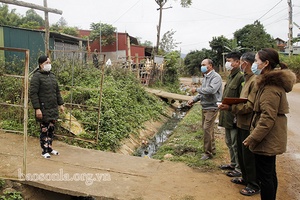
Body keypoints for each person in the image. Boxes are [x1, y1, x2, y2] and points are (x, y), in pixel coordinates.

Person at [243, 48, 296, 200]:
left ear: (265, 63)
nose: (253, 64)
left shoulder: (270, 88)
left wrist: (253, 138)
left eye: (256, 61)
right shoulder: (267, 84)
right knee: (269, 174)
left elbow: (267, 118)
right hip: (269, 138)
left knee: (265, 177)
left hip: (267, 139)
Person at [219, 52, 260, 196]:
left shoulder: (253, 80)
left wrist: (231, 108)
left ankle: (254, 184)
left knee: (248, 156)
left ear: (244, 63)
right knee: (242, 155)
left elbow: (250, 105)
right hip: (240, 121)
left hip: (248, 123)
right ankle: (245, 178)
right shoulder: (247, 79)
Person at [30, 55, 64, 159]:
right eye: (46, 63)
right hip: (43, 108)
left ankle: (49, 148)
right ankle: (44, 151)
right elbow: (33, 94)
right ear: (41, 65)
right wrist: (37, 108)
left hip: (53, 107)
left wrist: (60, 104)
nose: (49, 65)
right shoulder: (36, 77)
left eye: (49, 62)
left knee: (51, 129)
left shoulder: (52, 76)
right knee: (44, 130)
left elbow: (57, 91)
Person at [188, 59, 223, 160]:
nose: (202, 67)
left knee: (206, 129)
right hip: (205, 106)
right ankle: (212, 149)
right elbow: (202, 93)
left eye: (204, 65)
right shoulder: (206, 77)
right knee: (209, 129)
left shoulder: (216, 77)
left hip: (212, 107)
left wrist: (197, 89)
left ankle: (208, 153)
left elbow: (211, 90)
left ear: (210, 66)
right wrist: (193, 100)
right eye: (201, 65)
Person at [218, 52, 244, 177]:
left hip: (234, 116)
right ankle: (233, 163)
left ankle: (239, 168)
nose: (227, 63)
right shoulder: (231, 76)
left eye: (229, 61)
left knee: (235, 143)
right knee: (229, 141)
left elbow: (242, 100)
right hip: (227, 115)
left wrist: (233, 110)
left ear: (237, 62)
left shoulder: (240, 77)